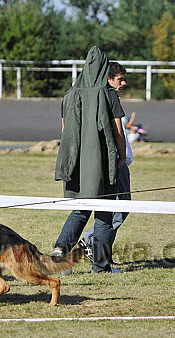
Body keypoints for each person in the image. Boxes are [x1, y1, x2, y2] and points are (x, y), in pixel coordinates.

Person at [53, 47, 127, 273]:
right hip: (102, 163)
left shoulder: (69, 95)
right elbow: (117, 132)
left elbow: (64, 131)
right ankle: (101, 265)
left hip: (77, 162)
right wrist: (121, 157)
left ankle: (60, 250)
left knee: (81, 209)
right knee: (104, 212)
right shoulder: (108, 94)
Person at [78, 62, 132, 264]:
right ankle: (91, 243)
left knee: (119, 211)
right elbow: (117, 132)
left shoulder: (108, 98)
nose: (123, 82)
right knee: (115, 212)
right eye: (120, 78)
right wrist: (120, 158)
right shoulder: (109, 98)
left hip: (121, 163)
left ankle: (98, 250)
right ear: (109, 79)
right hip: (116, 164)